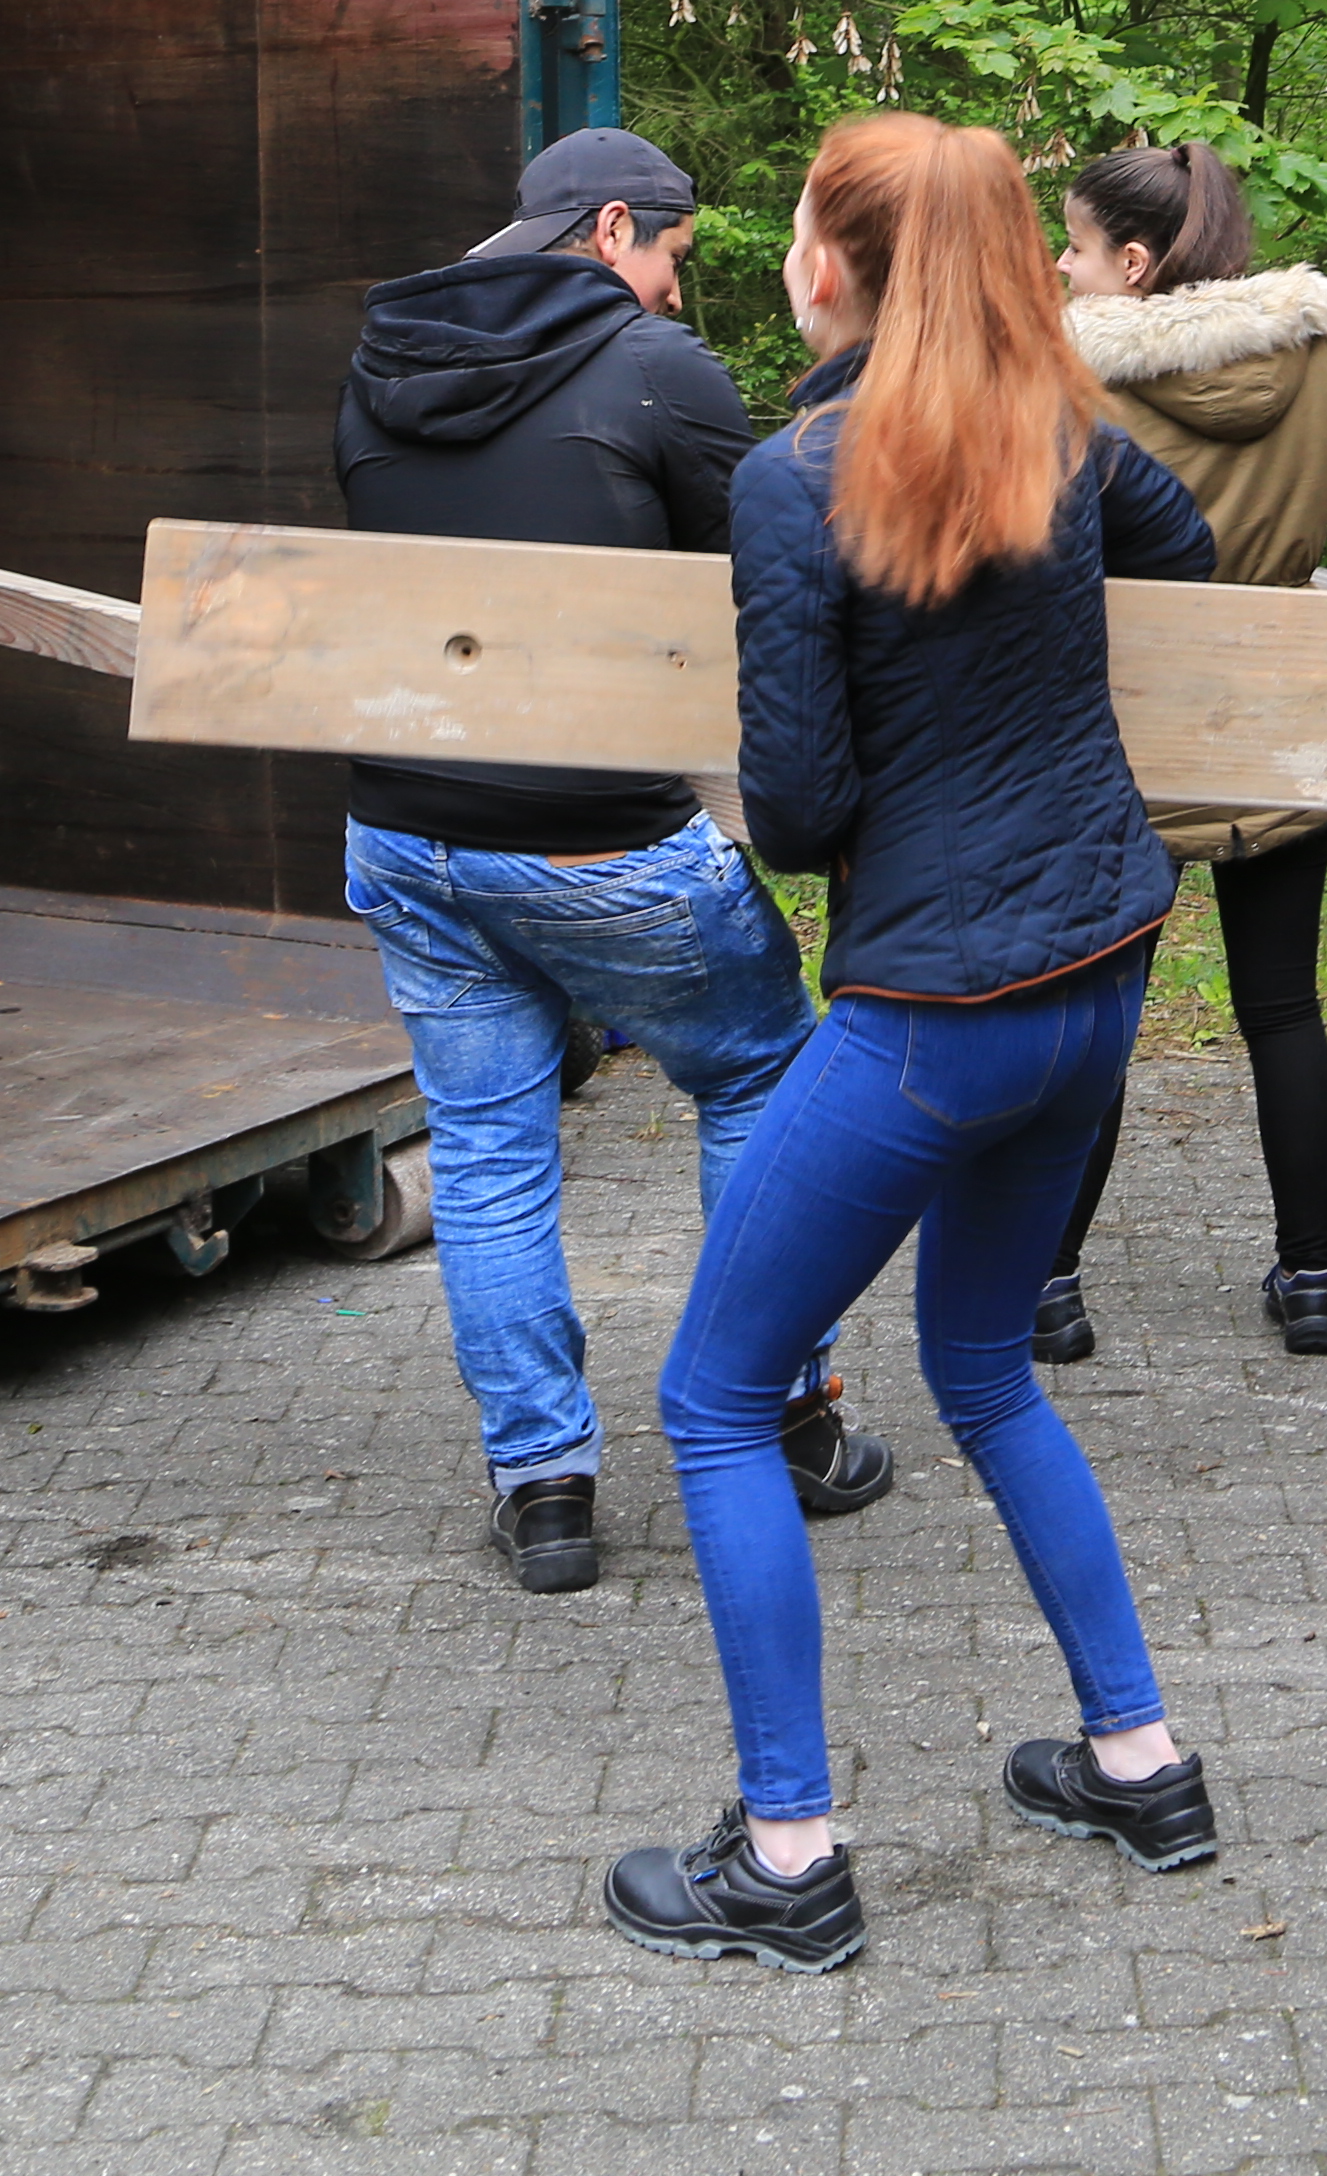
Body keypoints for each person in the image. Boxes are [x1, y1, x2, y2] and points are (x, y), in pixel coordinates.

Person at [606, 117, 1224, 1971]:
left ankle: (786, 1862)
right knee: (984, 1371)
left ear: (837, 265)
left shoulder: (798, 474)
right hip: (1102, 968)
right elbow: (1183, 554)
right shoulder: (1060, 428)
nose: (789, 248)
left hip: (935, 1010)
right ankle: (1141, 1759)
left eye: (799, 223)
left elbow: (791, 813)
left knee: (717, 1397)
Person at [331, 124, 900, 1592]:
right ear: (607, 232)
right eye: (670, 257)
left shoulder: (382, 357)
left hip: (406, 831)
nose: (671, 290)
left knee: (489, 1154)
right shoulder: (656, 372)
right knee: (763, 1073)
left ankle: (546, 1492)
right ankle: (786, 1415)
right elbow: (776, 563)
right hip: (598, 842)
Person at [1034, 136, 1327, 1365]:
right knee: (1282, 1009)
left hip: (1116, 745)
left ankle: (1048, 1287)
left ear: (1137, 263)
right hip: (1276, 733)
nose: (1059, 265)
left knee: (1097, 1022)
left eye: (1077, 245)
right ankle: (1311, 1280)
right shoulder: (1307, 363)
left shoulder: (1065, 380)